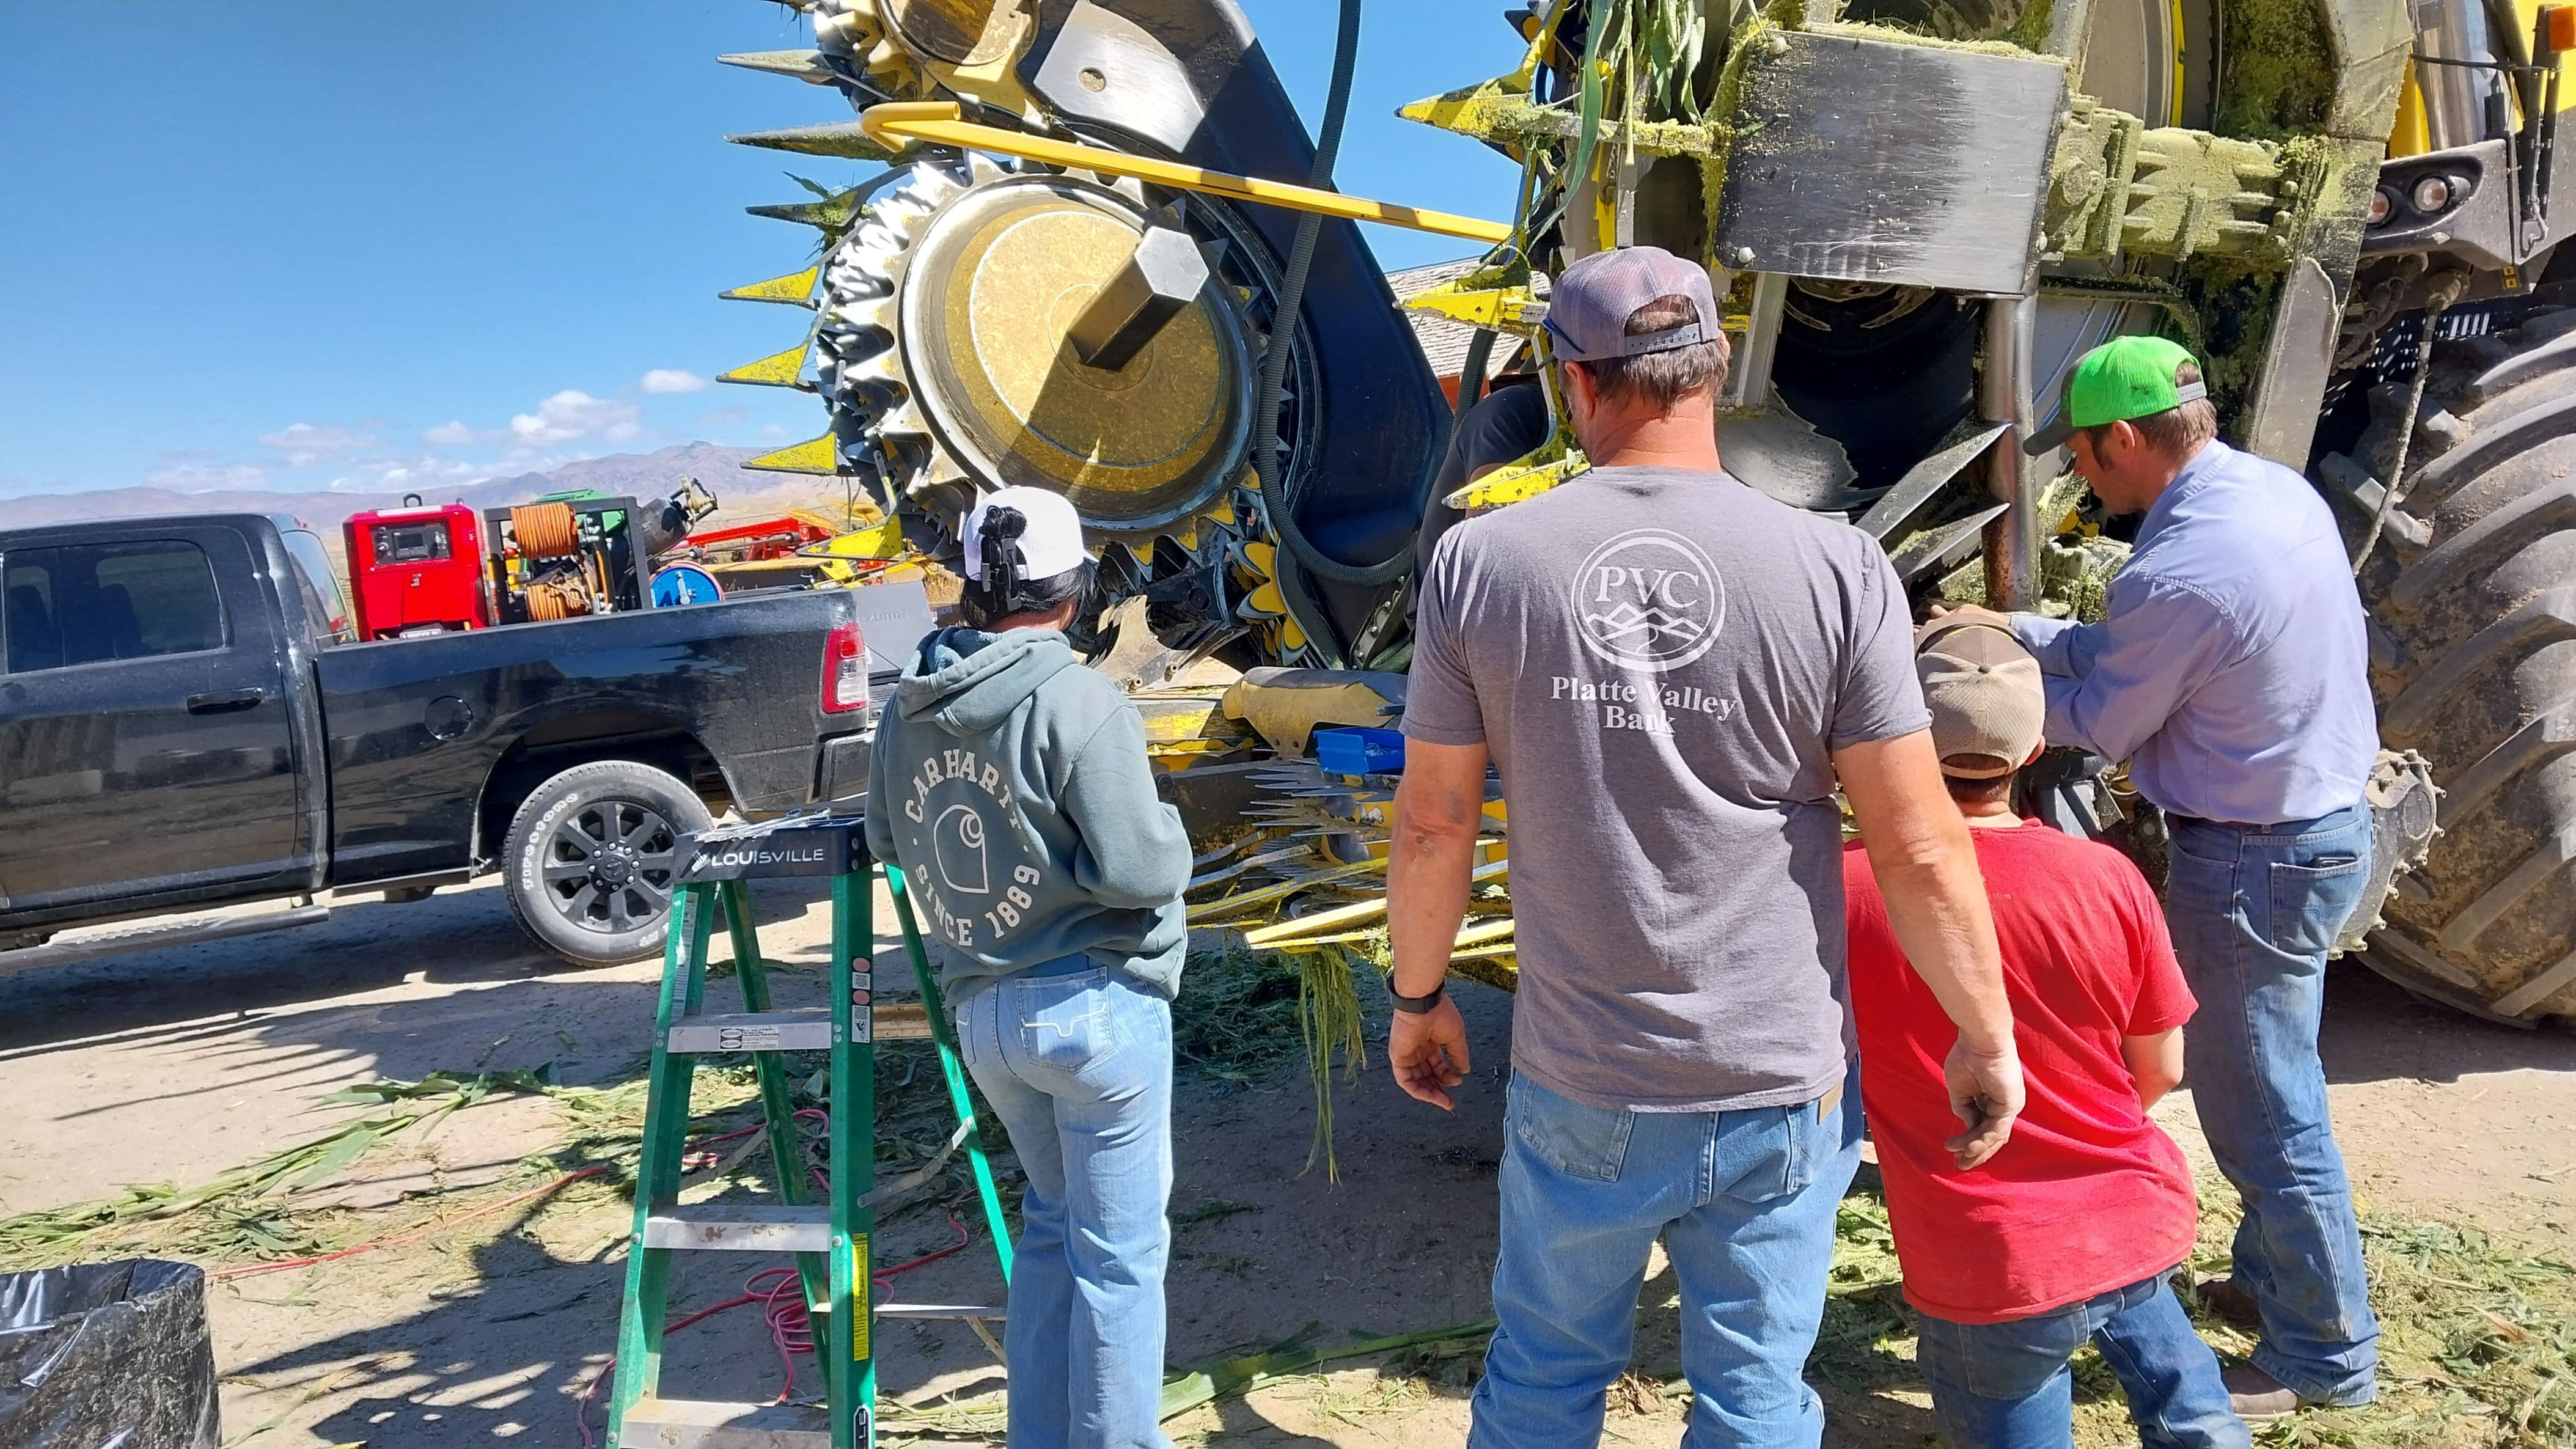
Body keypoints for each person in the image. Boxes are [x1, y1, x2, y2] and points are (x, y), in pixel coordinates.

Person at [1386, 244, 2028, 1449]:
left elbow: (1433, 823)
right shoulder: (1838, 568)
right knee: (1756, 1400)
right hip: (1776, 1081)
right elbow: (1918, 844)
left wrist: (1417, 998)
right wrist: (1984, 1030)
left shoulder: (1481, 561)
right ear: (1717, 368)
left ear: (1575, 383)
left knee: (1543, 1377)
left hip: (1585, 1074)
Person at [1939, 335, 2383, 1418]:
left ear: (2126, 438)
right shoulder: (2267, 496)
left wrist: (1955, 701)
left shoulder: (2181, 569)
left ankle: (2323, 1355)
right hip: (2321, 823)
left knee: (2263, 1109)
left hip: (2251, 859)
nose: (2079, 475)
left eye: (2082, 454)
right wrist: (2011, 631)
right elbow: (2137, 648)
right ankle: (2276, 1281)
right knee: (2272, 1078)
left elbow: (2101, 720)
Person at [1844, 619, 2246, 1448]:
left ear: (1901, 739)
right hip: (2129, 1217)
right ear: (2035, 752)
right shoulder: (2108, 876)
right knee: (2194, 1411)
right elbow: (2162, 1067)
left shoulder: (1843, 884)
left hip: (1988, 1258)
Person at [864, 486, 1194, 1449]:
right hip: (1095, 1012)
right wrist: (1172, 832)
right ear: (1078, 588)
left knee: (1052, 1228)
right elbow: (1138, 869)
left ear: (970, 587)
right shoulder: (1080, 699)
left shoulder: (909, 707)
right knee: (1120, 1260)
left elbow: (886, 834)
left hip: (987, 1019)